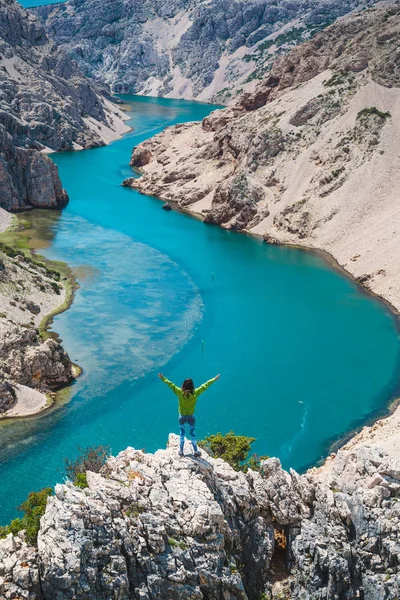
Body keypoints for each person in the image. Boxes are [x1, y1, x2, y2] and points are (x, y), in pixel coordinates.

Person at [158, 373, 220, 457]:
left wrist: (163, 378)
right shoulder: (195, 392)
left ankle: (181, 452)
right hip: (191, 416)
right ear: (192, 386)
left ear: (183, 385)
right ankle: (196, 452)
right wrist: (214, 379)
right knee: (192, 434)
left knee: (182, 434)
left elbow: (171, 385)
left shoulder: (180, 392)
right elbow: (205, 385)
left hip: (182, 416)